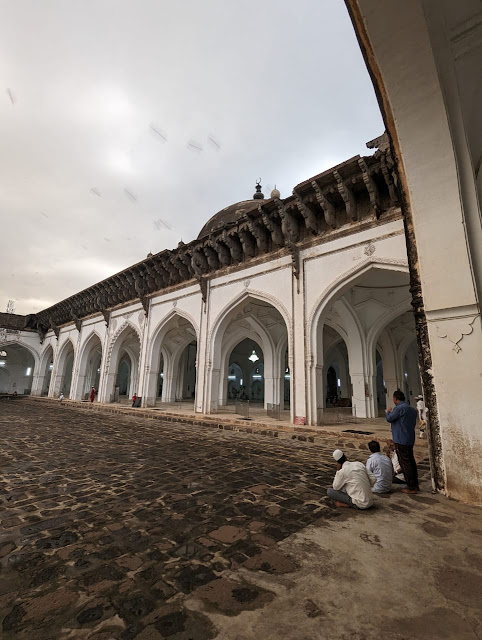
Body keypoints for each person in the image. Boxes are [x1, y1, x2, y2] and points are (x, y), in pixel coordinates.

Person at [385, 390, 419, 494]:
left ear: (395, 399)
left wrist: (388, 412)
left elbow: (390, 419)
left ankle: (411, 487)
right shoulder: (412, 409)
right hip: (409, 438)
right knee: (411, 461)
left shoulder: (399, 408)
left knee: (404, 463)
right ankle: (415, 484)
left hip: (400, 439)